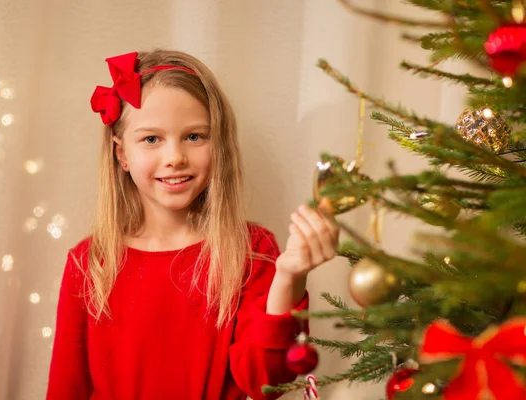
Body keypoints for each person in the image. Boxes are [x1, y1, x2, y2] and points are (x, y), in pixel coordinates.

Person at [46, 50, 339, 400]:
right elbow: (67, 387)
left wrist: (289, 278)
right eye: (152, 139)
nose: (175, 158)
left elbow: (267, 382)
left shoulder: (251, 251)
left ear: (219, 145)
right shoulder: (89, 262)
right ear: (121, 153)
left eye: (195, 137)